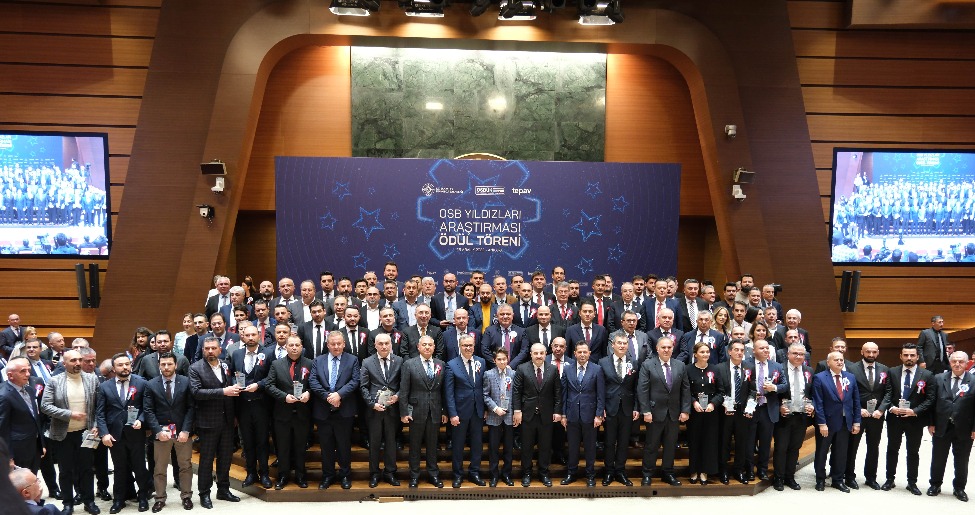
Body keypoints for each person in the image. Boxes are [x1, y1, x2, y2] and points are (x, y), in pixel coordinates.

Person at [39, 350, 100, 515]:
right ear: (64, 363)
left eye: (80, 360)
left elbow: (98, 406)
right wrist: (69, 414)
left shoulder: (92, 379)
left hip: (86, 432)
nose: (78, 363)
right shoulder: (54, 381)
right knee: (66, 471)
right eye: (73, 360)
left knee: (87, 469)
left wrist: (96, 425)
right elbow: (45, 406)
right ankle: (68, 503)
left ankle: (89, 501)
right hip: (63, 434)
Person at [188, 337, 241, 509]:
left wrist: (234, 415)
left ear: (220, 350)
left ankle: (223, 490)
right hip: (207, 421)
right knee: (207, 459)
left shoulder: (226, 365)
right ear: (203, 350)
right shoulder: (195, 368)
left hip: (227, 420)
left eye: (213, 348)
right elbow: (197, 392)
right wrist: (223, 391)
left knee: (225, 457)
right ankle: (204, 493)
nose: (210, 351)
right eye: (207, 348)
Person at [95, 353, 150, 513]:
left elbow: (147, 407)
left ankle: (143, 497)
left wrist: (141, 419)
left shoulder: (142, 383)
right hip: (115, 435)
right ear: (113, 368)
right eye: (120, 365)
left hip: (136, 433)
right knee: (119, 468)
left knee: (140, 467)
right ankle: (119, 499)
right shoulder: (105, 386)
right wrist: (104, 433)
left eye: (127, 364)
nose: (125, 367)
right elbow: (100, 413)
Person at [143, 352, 195, 512]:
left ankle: (186, 496)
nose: (166, 367)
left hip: (182, 432)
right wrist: (157, 431)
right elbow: (148, 410)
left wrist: (186, 430)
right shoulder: (151, 384)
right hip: (161, 433)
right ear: (159, 365)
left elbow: (191, 408)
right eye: (163, 364)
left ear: (176, 365)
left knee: (185, 466)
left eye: (169, 364)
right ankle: (160, 498)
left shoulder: (186, 382)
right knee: (159, 468)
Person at [637, 335, 691, 486]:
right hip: (654, 413)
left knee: (670, 446)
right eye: (663, 347)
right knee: (651, 446)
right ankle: (647, 474)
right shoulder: (648, 365)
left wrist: (685, 410)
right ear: (657, 349)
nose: (666, 350)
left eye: (669, 347)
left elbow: (685, 389)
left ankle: (668, 473)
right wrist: (646, 411)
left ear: (673, 348)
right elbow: (642, 389)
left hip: (674, 413)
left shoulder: (680, 365)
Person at [883, 343, 935, 495]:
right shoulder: (892, 372)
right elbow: (886, 394)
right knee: (892, 449)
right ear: (901, 356)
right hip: (895, 418)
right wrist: (891, 408)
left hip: (915, 420)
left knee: (913, 452)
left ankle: (912, 482)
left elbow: (930, 399)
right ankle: (889, 479)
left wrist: (915, 411)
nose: (909, 358)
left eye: (912, 355)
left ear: (918, 357)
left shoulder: (927, 375)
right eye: (906, 355)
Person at [309, 331, 359, 490]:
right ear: (327, 345)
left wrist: (339, 395)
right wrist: (328, 397)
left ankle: (345, 476)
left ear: (344, 344)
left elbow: (355, 381)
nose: (336, 346)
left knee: (344, 446)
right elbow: (313, 381)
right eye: (333, 344)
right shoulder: (318, 360)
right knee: (326, 447)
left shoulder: (353, 360)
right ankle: (328, 476)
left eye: (339, 343)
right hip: (323, 410)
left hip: (344, 411)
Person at [227, 325, 273, 489]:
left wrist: (259, 385)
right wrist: (235, 384)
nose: (251, 337)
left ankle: (264, 473)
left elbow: (272, 377)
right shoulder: (237, 354)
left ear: (258, 336)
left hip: (261, 404)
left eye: (254, 334)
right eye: (248, 335)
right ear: (243, 337)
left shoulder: (268, 353)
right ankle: (251, 473)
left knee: (262, 441)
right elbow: (232, 375)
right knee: (247, 442)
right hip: (243, 405)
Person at [265, 335, 314, 490]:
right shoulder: (276, 364)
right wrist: (284, 397)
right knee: (283, 447)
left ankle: (300, 476)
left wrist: (309, 393)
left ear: (301, 347)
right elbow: (269, 385)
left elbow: (315, 384)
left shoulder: (310, 363)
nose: (294, 348)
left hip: (302, 414)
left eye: (297, 345)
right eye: (291, 345)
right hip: (282, 413)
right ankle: (283, 476)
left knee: (300, 447)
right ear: (285, 347)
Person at [926, 351, 975, 502]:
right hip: (942, 426)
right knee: (938, 458)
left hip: (965, 428)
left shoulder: (973, 380)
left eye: (961, 361)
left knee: (962, 461)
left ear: (967, 363)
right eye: (954, 361)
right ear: (950, 362)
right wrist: (931, 423)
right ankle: (935, 485)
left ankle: (959, 488)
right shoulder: (939, 378)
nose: (957, 364)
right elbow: (931, 402)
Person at [399, 335, 446, 488]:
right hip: (416, 411)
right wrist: (404, 412)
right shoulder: (409, 364)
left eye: (430, 345)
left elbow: (444, 390)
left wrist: (444, 411)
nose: (427, 347)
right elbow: (404, 390)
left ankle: (433, 474)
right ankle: (414, 476)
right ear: (418, 347)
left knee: (433, 446)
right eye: (424, 344)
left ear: (434, 347)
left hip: (435, 411)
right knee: (415, 446)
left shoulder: (441, 364)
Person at [513, 343, 562, 487]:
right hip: (527, 415)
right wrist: (517, 411)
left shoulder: (553, 369)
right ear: (531, 354)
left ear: (546, 354)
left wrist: (557, 411)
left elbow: (558, 392)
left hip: (546, 415)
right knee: (526, 446)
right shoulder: (522, 368)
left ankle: (544, 472)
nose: (539, 356)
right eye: (536, 353)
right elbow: (516, 392)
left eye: (541, 353)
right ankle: (526, 473)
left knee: (545, 446)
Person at [811, 350, 861, 492]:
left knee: (841, 452)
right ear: (828, 363)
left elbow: (856, 401)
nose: (839, 362)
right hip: (827, 422)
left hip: (845, 422)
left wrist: (856, 421)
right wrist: (822, 423)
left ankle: (838, 480)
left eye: (841, 360)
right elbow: (818, 403)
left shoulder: (850, 377)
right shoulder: (820, 377)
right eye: (836, 360)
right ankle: (820, 479)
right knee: (822, 452)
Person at [846, 341, 891, 490]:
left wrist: (882, 409)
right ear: (862, 352)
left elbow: (888, 392)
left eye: (874, 352)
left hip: (877, 415)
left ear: (877, 353)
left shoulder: (885, 369)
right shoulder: (851, 369)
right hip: (857, 415)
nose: (871, 354)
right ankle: (849, 477)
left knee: (873, 447)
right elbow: (848, 392)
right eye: (868, 351)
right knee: (852, 447)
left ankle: (871, 478)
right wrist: (858, 409)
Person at [358, 333, 402, 488]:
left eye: (386, 343)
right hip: (374, 410)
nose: (384, 346)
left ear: (391, 344)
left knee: (391, 442)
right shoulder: (367, 362)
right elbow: (363, 386)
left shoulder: (399, 361)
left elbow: (403, 383)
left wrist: (398, 396)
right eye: (380, 343)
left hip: (392, 409)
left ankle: (390, 472)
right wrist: (372, 404)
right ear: (375, 345)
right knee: (374, 442)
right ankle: (374, 473)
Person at [559, 341, 604, 488]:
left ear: (589, 353)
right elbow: (564, 393)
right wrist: (563, 415)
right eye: (580, 352)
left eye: (585, 352)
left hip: (590, 415)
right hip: (572, 414)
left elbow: (600, 394)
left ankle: (590, 475)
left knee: (590, 447)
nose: (582, 354)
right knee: (572, 447)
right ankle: (571, 473)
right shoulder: (567, 369)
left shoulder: (597, 369)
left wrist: (599, 415)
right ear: (575, 353)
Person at [444, 334, 486, 488]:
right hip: (459, 412)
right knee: (458, 444)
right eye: (465, 345)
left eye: (470, 345)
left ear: (474, 346)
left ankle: (474, 472)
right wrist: (452, 414)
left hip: (477, 410)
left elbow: (484, 387)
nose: (468, 348)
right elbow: (448, 392)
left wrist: (485, 408)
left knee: (477, 444)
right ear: (460, 347)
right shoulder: (451, 364)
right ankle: (458, 475)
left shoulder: (481, 362)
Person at [771, 343, 815, 491]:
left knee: (795, 447)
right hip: (784, 416)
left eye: (801, 354)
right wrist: (778, 407)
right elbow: (771, 393)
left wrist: (812, 405)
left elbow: (813, 393)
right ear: (788, 354)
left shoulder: (809, 371)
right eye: (795, 353)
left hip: (801, 416)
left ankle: (790, 477)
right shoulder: (779, 369)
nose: (798, 356)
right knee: (781, 447)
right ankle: (778, 477)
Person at [598, 334, 638, 486]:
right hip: (609, 408)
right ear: (612, 345)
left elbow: (636, 387)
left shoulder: (634, 362)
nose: (622, 346)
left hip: (627, 408)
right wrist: (601, 408)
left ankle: (620, 471)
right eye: (619, 343)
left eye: (624, 343)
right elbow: (600, 388)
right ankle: (609, 471)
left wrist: (636, 407)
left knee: (623, 441)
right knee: (609, 442)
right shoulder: (603, 362)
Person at [747, 339, 786, 481]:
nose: (765, 350)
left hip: (768, 409)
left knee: (765, 442)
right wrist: (752, 393)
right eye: (762, 348)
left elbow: (785, 385)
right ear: (754, 351)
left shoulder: (777, 366)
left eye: (767, 348)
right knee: (749, 442)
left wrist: (774, 388)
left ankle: (762, 469)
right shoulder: (746, 364)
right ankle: (749, 470)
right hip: (751, 408)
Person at [686, 342, 721, 486]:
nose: (705, 354)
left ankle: (704, 471)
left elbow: (721, 391)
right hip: (695, 412)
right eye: (702, 352)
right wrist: (693, 402)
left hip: (711, 412)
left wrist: (713, 403)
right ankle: (694, 470)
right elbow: (685, 390)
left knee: (709, 442)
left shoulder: (715, 369)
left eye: (707, 352)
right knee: (694, 441)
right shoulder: (688, 369)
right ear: (695, 354)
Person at [483, 349, 516, 487]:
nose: (502, 362)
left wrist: (515, 412)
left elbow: (516, 395)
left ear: (508, 359)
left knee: (508, 447)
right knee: (494, 448)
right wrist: (495, 408)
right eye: (499, 359)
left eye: (504, 359)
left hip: (509, 415)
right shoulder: (488, 374)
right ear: (494, 360)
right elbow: (485, 395)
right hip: (494, 415)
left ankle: (507, 474)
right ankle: (494, 475)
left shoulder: (513, 374)